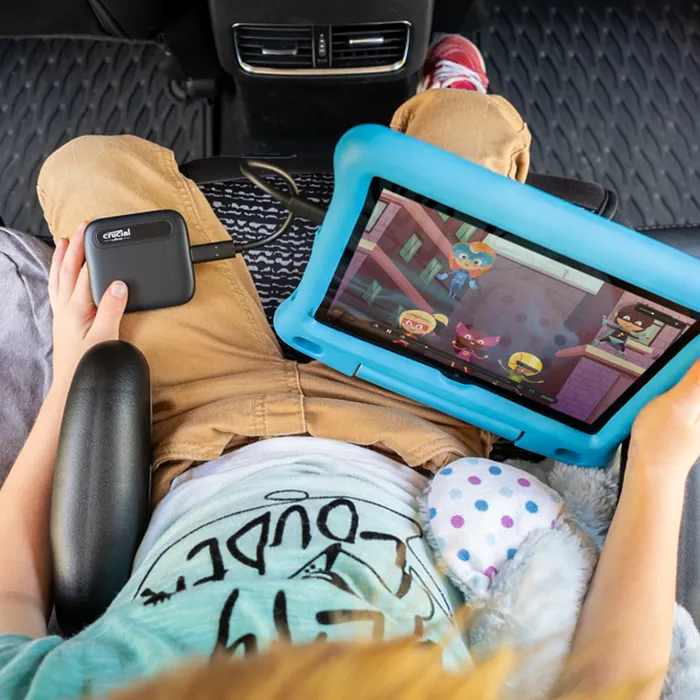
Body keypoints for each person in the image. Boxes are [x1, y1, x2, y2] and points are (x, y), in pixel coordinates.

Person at [0, 35, 695, 700]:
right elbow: (611, 685)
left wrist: (73, 372)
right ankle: (447, 90)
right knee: (467, 127)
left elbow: (10, 597)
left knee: (85, 167)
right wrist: (662, 461)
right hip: (417, 422)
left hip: (193, 426)